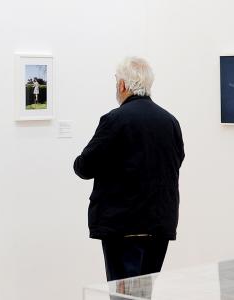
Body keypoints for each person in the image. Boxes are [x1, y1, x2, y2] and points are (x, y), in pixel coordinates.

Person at [74, 57, 185, 283]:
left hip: (123, 226)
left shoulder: (115, 120)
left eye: (116, 81)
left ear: (123, 85)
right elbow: (177, 159)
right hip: (159, 224)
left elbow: (84, 167)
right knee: (144, 293)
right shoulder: (169, 121)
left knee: (123, 295)